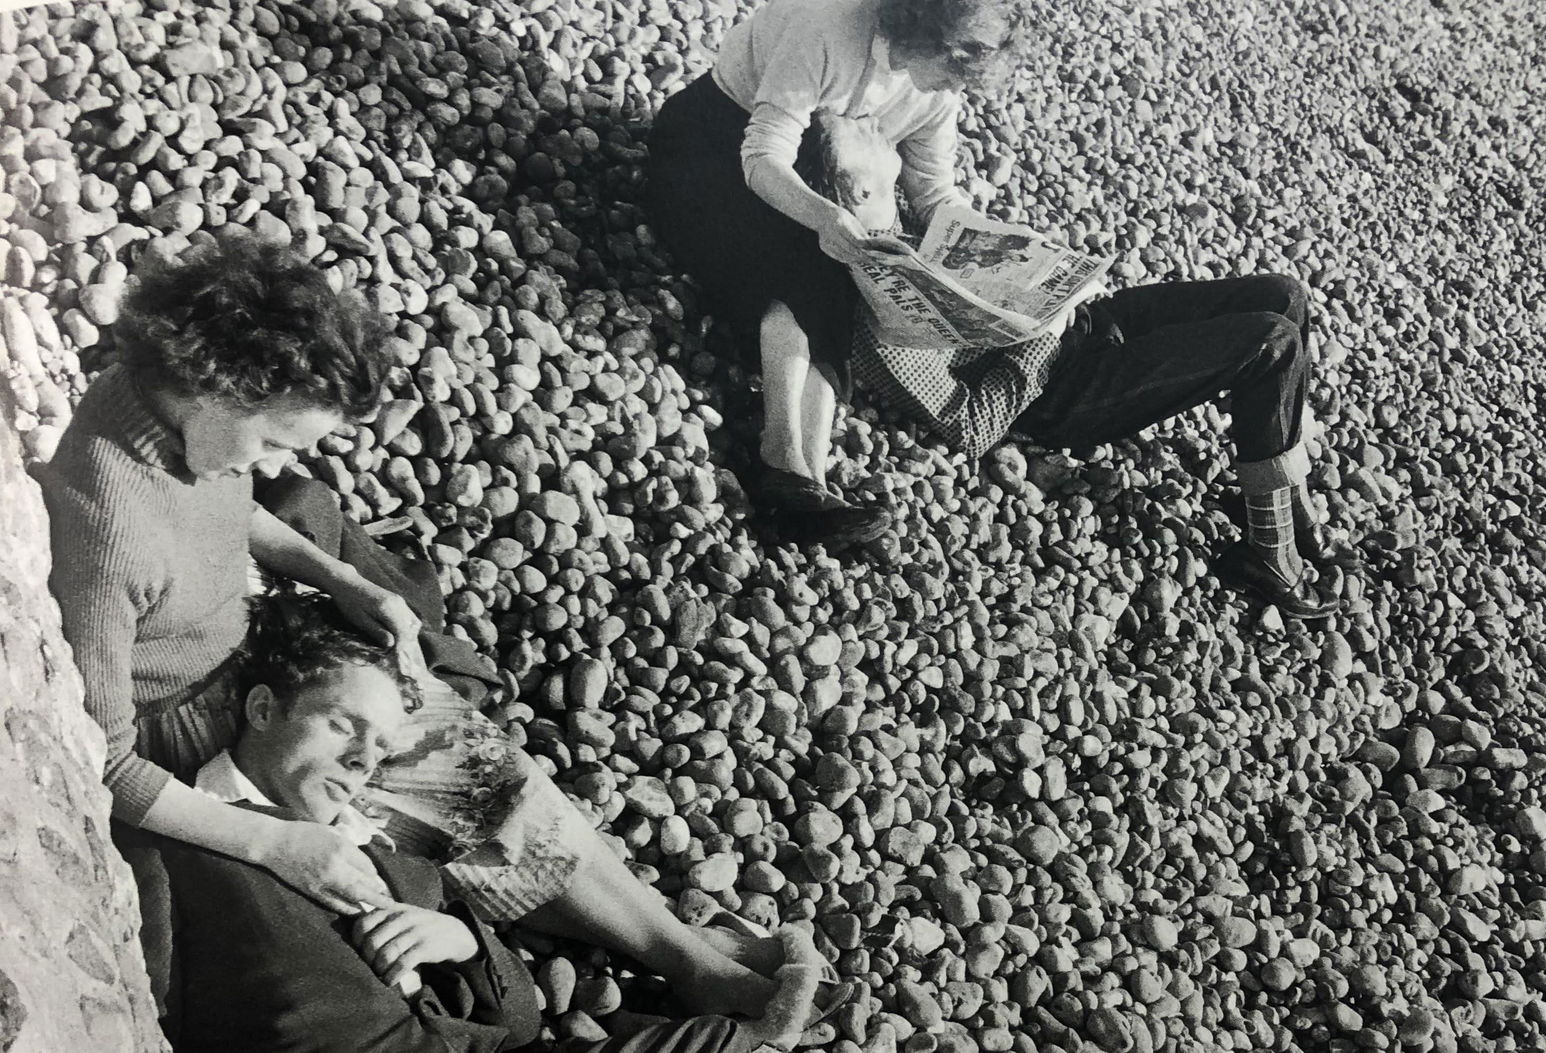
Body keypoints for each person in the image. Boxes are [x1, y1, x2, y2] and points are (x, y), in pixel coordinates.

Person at [36, 232, 814, 1020]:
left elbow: (223, 513)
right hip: (197, 730)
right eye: (274, 440)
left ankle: (677, 946)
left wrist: (340, 577)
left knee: (468, 762)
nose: (274, 468)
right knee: (421, 805)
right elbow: (106, 763)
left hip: (247, 656)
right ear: (217, 383)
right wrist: (271, 842)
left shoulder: (167, 409)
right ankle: (677, 956)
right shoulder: (107, 526)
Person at [158, 594, 820, 1053]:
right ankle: (687, 957)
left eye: (372, 748)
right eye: (345, 732)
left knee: (476, 790)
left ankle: (684, 952)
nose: (361, 758)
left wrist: (463, 942)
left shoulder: (388, 855)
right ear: (264, 709)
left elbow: (520, 1017)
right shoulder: (202, 851)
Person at [814, 118, 1343, 618]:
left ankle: (1285, 502)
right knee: (1272, 343)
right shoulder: (873, 312)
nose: (870, 121)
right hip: (1061, 391)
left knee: (1284, 295)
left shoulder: (909, 223)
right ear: (857, 192)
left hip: (1090, 322)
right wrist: (1042, 336)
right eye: (854, 127)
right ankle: (1270, 553)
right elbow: (972, 425)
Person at [648, 0, 1022, 547]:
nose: (952, 89)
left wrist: (997, 255)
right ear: (923, 33)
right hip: (712, 144)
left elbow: (934, 190)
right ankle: (782, 458)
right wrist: (827, 218)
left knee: (841, 272)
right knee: (802, 259)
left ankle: (808, 482)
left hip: (813, 168)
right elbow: (762, 153)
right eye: (950, 70)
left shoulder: (938, 89)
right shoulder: (828, 25)